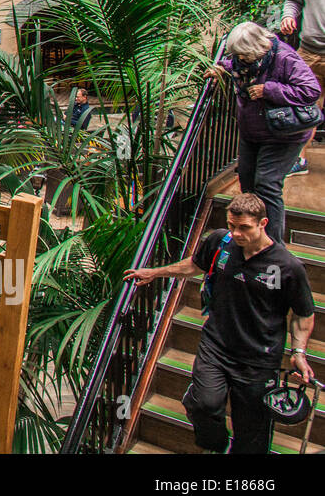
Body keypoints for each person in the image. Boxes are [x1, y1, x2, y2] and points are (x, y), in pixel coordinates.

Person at [124, 192, 315, 453]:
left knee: (251, 435)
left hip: (259, 359)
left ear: (263, 223)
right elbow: (193, 265)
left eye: (244, 227)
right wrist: (154, 272)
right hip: (216, 346)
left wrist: (299, 353)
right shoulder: (220, 242)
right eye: (232, 225)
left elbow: (304, 314)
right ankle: (218, 445)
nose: (236, 233)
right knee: (203, 404)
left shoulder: (287, 267)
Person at [204, 21, 320, 244]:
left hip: (283, 135)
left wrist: (269, 90)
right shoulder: (244, 61)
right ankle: (250, 233)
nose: (239, 59)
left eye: (243, 55)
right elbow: (236, 65)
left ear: (256, 48)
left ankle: (272, 245)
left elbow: (310, 90)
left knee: (267, 184)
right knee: (247, 181)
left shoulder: (284, 57)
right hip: (253, 131)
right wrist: (221, 67)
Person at [279, 0, 325, 175]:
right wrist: (289, 15)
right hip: (309, 52)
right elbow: (293, 0)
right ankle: (300, 160)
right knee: (304, 106)